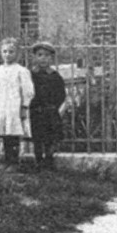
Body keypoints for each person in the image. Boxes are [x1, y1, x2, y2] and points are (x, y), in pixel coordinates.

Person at [0, 38, 34, 165]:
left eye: (11, 52)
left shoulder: (21, 71)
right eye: (5, 51)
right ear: (1, 53)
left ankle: (14, 161)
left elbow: (27, 90)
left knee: (13, 133)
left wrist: (24, 106)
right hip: (1, 106)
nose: (7, 54)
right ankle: (6, 160)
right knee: (4, 133)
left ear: (18, 53)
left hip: (14, 107)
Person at [27, 42, 68, 170]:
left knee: (50, 137)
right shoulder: (30, 75)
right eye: (40, 55)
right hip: (36, 112)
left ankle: (49, 160)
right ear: (34, 57)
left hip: (50, 111)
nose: (43, 58)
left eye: (46, 55)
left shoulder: (55, 77)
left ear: (51, 58)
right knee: (37, 137)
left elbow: (61, 95)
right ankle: (38, 161)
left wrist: (55, 107)